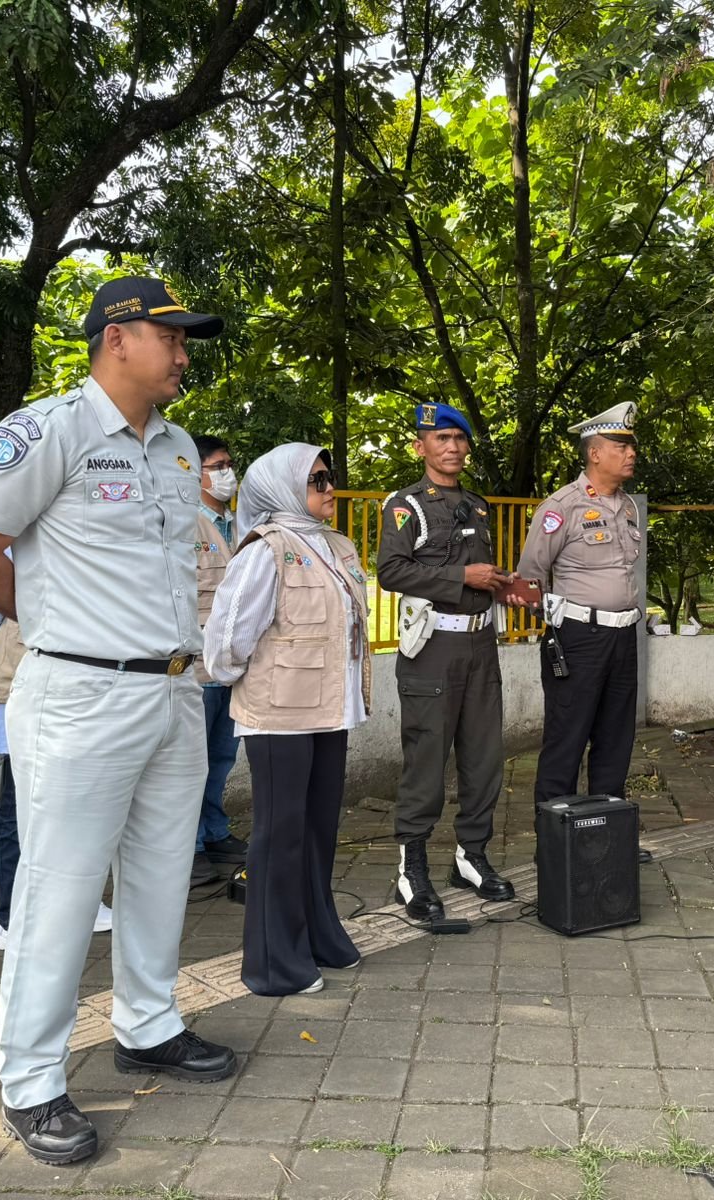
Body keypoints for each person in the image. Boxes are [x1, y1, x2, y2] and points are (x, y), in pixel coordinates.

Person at [0, 277, 235, 1166]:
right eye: (172, 338)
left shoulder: (180, 448)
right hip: (79, 695)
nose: (184, 355)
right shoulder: (49, 430)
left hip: (175, 692)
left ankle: (148, 1025)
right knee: (59, 893)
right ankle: (30, 1082)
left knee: (157, 875)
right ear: (118, 338)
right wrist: (58, 628)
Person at [203, 445, 367, 997]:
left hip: (329, 710)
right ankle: (273, 963)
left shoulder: (336, 547)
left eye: (330, 476)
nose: (329, 488)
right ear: (280, 488)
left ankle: (319, 933)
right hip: (278, 715)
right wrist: (241, 681)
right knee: (280, 835)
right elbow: (227, 639)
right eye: (316, 479)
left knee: (319, 830)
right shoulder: (266, 550)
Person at [376, 402, 517, 920]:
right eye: (441, 439)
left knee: (484, 759)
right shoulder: (405, 505)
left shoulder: (478, 506)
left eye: (460, 439)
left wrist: (500, 584)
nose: (453, 447)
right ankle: (411, 871)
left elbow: (475, 571)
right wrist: (463, 579)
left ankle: (471, 857)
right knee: (427, 763)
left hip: (481, 647)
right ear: (421, 446)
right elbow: (390, 570)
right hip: (432, 649)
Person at [515, 402, 649, 861]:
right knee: (566, 741)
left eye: (630, 445)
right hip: (578, 638)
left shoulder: (628, 506)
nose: (631, 453)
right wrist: (555, 628)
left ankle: (604, 842)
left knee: (616, 739)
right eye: (621, 445)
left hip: (623, 637)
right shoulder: (562, 507)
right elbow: (530, 578)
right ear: (595, 453)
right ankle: (554, 847)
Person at [0, 586, 113, 950]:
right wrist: (10, 651)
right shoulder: (13, 535)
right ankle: (11, 916)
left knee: (74, 804)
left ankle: (75, 905)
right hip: (24, 678)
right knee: (19, 807)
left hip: (78, 679)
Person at [189, 435, 247, 889]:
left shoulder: (240, 525)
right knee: (190, 762)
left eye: (229, 464)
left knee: (222, 757)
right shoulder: (185, 525)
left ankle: (213, 831)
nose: (228, 472)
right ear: (194, 471)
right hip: (193, 668)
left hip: (232, 664)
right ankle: (185, 846)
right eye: (219, 465)